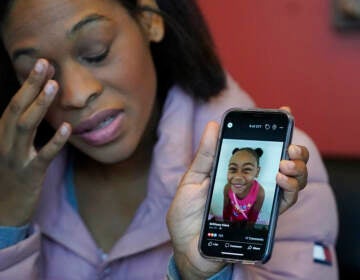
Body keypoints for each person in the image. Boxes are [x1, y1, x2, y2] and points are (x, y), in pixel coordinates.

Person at [0, 0, 338, 279]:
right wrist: (9, 217)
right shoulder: (11, 181)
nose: (74, 95)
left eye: (96, 51)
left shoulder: (281, 170)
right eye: (37, 74)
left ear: (149, 21)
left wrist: (203, 274)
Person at [223, 148, 265, 223]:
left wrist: (247, 230)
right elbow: (226, 210)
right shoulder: (227, 188)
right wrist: (225, 226)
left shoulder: (259, 193)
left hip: (246, 223)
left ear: (257, 172)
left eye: (247, 170)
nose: (238, 176)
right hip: (233, 220)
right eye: (233, 169)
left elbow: (253, 216)